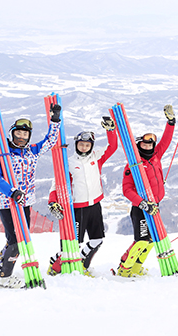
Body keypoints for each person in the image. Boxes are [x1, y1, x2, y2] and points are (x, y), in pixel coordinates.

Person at [0, 104, 61, 288]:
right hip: (8, 202)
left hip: (26, 202)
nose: (21, 137)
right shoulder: (5, 155)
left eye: (25, 134)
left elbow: (50, 142)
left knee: (20, 238)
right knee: (16, 241)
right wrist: (12, 191)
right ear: (12, 134)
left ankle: (1, 262)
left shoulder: (32, 151)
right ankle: (4, 276)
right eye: (18, 134)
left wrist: (55, 121)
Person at [47, 116, 118, 276]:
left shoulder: (96, 157)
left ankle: (83, 265)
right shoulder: (68, 162)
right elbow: (56, 184)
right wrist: (52, 201)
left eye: (87, 145)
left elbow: (113, 147)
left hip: (94, 205)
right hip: (78, 208)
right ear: (76, 145)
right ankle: (56, 266)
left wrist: (111, 130)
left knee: (97, 240)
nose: (84, 147)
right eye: (81, 144)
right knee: (73, 245)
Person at [115, 105, 176, 277]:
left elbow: (166, 140)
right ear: (138, 144)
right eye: (144, 144)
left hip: (155, 205)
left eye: (150, 144)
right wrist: (142, 204)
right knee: (141, 240)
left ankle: (136, 267)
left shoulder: (155, 156)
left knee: (150, 241)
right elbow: (126, 189)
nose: (148, 147)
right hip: (141, 208)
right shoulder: (133, 165)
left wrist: (171, 122)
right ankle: (124, 267)